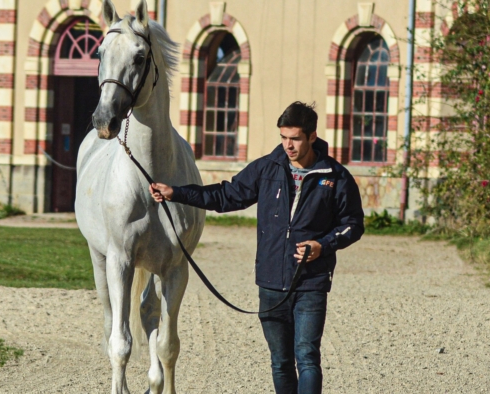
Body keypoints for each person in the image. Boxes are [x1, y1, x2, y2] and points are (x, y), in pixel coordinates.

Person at [149, 101, 364, 394]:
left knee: (308, 357)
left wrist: (323, 245)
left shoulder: (335, 176)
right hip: (270, 281)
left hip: (311, 281)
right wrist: (177, 193)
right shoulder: (266, 168)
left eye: (296, 138)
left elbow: (353, 224)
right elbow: (226, 196)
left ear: (312, 136)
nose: (288, 145)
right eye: (284, 137)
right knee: (280, 362)